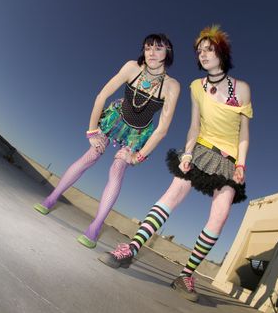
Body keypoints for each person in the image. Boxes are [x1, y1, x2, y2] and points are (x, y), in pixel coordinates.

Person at [99, 25, 253, 302]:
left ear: (222, 52)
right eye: (199, 51)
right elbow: (195, 125)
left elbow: (244, 133)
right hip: (201, 149)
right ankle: (131, 248)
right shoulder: (196, 87)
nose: (203, 54)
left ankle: (185, 274)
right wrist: (187, 153)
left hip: (229, 160)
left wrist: (241, 164)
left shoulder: (241, 89)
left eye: (209, 49)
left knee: (221, 213)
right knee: (174, 193)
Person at [33, 34, 180, 249]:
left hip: (138, 134)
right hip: (116, 117)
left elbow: (162, 130)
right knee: (91, 154)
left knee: (117, 168)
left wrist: (136, 157)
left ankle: (95, 228)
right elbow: (102, 96)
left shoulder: (172, 86)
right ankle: (51, 199)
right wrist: (92, 132)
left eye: (158, 48)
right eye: (148, 48)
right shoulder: (132, 67)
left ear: (168, 53)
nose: (151, 53)